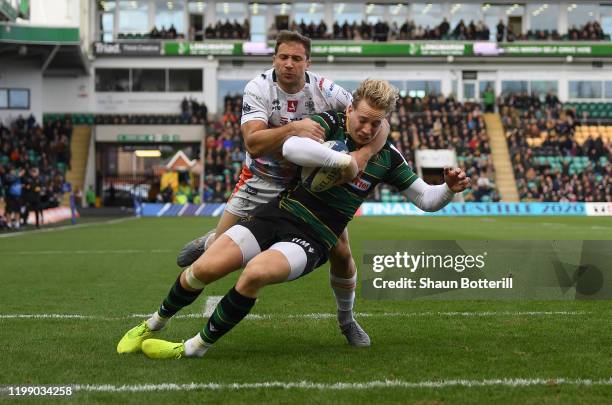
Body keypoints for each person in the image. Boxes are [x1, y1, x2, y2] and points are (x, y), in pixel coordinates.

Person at [117, 79, 471, 359]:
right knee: (205, 268)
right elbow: (290, 148)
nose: (365, 128)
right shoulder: (329, 123)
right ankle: (153, 324)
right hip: (277, 213)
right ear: (350, 109)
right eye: (361, 119)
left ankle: (192, 348)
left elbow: (426, 198)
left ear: (385, 123)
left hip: (314, 237)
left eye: (374, 124)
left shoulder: (388, 158)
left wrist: (450, 189)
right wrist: (344, 162)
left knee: (255, 274)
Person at [176, 30, 387, 346]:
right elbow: (253, 143)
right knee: (218, 253)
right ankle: (210, 242)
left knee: (342, 251)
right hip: (260, 180)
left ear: (307, 63)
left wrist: (363, 155)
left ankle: (348, 322)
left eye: (296, 58)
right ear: (274, 59)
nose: (289, 64)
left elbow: (379, 119)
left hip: (307, 188)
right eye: (283, 57)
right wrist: (294, 128)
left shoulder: (326, 90)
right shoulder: (258, 87)